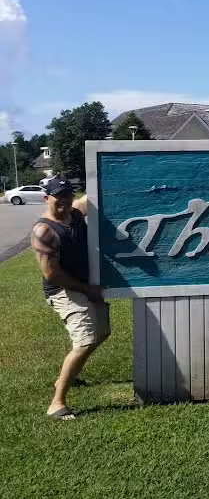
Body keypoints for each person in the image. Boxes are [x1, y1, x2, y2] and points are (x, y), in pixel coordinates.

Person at [31, 176, 110, 418]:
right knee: (85, 340)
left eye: (68, 194)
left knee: (103, 332)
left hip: (85, 286)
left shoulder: (74, 213)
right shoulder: (44, 231)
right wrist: (87, 290)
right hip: (63, 291)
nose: (64, 200)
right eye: (59, 196)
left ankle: (65, 377)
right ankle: (57, 403)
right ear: (46, 198)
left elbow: (92, 196)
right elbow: (51, 274)